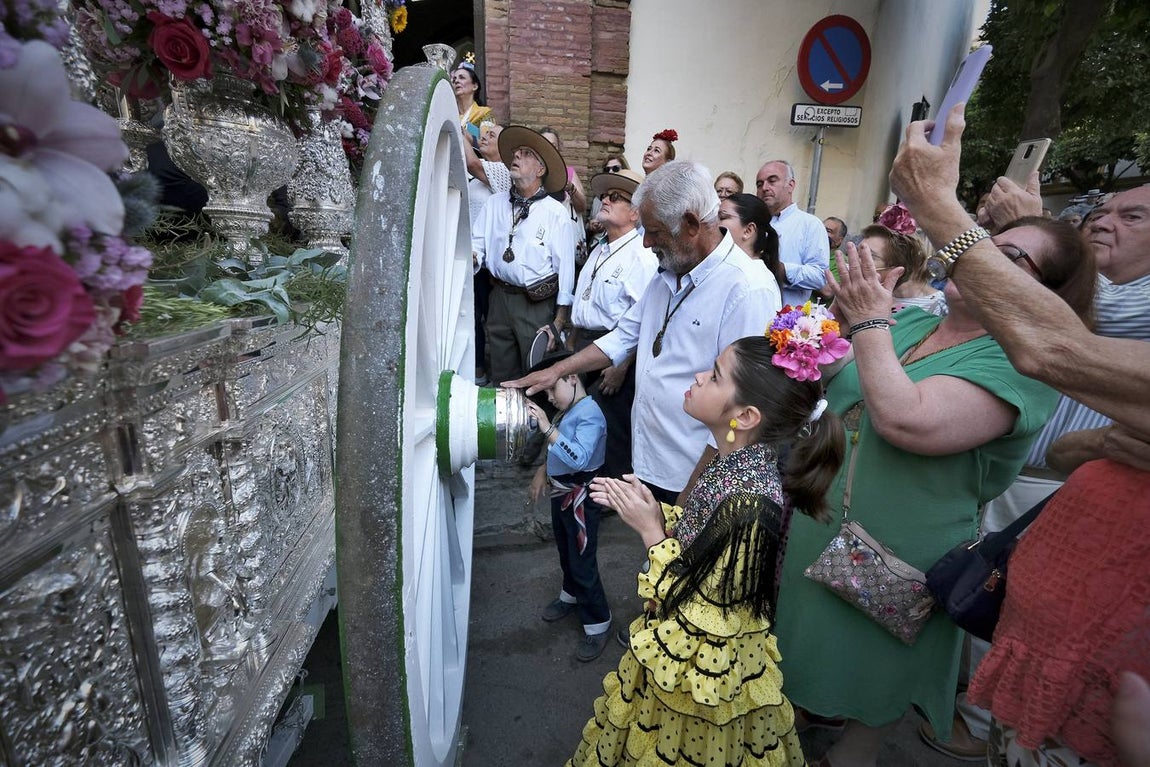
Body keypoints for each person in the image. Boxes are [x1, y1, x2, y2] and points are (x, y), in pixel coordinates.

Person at [773, 213, 1095, 766]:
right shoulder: (914, 324)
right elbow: (839, 377)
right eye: (983, 245)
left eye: (1009, 257)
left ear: (1046, 293)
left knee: (875, 677)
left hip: (900, 552)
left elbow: (906, 419)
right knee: (804, 648)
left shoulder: (1020, 365)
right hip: (824, 521)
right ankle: (797, 717)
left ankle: (848, 754)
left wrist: (869, 323)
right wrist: (811, 331)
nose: (978, 258)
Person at [888, 102, 1150, 767]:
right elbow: (1069, 451)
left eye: (1134, 215)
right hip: (1051, 638)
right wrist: (1102, 444)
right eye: (1103, 211)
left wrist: (939, 208)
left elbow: (1045, 340)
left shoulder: (1104, 307)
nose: (1104, 222)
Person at [567, 327, 848, 767]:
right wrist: (657, 513)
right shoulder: (732, 460)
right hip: (681, 661)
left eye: (715, 376)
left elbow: (706, 619)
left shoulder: (750, 504)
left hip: (702, 681)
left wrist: (651, 534)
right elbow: (702, 538)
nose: (698, 376)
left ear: (746, 416)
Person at [505, 161, 781, 506]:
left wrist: (688, 500)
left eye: (655, 231)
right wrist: (557, 371)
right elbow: (624, 336)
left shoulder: (747, 287)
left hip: (694, 477)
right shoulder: (669, 270)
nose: (647, 243)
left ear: (692, 225)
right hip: (653, 463)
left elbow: (740, 409)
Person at [561, 168, 657, 478]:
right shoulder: (601, 247)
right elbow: (584, 300)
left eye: (616, 198)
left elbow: (643, 321)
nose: (605, 200)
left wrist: (621, 366)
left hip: (614, 352)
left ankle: (608, 495)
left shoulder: (642, 257)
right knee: (582, 421)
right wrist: (572, 343)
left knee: (607, 427)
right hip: (587, 344)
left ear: (634, 213)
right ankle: (583, 484)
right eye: (605, 195)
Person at [525, 352, 612, 662]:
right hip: (562, 494)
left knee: (582, 560)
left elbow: (578, 458)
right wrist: (542, 472)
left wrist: (547, 426)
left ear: (573, 377)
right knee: (566, 550)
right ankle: (571, 595)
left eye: (551, 389)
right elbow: (558, 453)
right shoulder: (571, 408)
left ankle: (598, 622)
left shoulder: (590, 414)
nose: (550, 397)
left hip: (581, 499)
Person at [473, 126, 574, 386]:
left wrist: (559, 321)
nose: (516, 156)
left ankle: (538, 424)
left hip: (536, 304)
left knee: (535, 371)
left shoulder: (555, 212)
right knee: (501, 375)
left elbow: (566, 270)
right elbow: (477, 244)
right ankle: (506, 423)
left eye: (526, 153)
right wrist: (473, 256)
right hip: (499, 299)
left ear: (540, 170)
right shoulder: (494, 203)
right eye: (516, 152)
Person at [463, 121, 511, 385]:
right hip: (469, 254)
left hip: (486, 260)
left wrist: (460, 132)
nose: (485, 137)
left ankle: (488, 373)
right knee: (470, 312)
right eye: (484, 134)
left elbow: (473, 163)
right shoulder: (476, 177)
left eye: (492, 136)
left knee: (486, 316)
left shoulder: (502, 171)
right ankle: (477, 369)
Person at [755, 159, 829, 306]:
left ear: (791, 185)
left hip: (785, 322)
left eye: (772, 181)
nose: (764, 188)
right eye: (759, 184)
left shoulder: (810, 224)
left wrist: (782, 270)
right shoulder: (752, 224)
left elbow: (820, 276)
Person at [864, 203, 947, 316]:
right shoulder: (866, 297)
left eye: (870, 256)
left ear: (899, 265)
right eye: (858, 254)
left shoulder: (940, 307)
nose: (857, 263)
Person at [717, 192, 782, 280]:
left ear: (748, 230)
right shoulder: (730, 270)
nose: (714, 224)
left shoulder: (756, 282)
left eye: (722, 217)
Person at [451, 53, 492, 147]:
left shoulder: (484, 113)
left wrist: (466, 136)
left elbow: (487, 146)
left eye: (462, 77)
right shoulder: (448, 113)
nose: (456, 81)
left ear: (475, 86)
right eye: (454, 79)